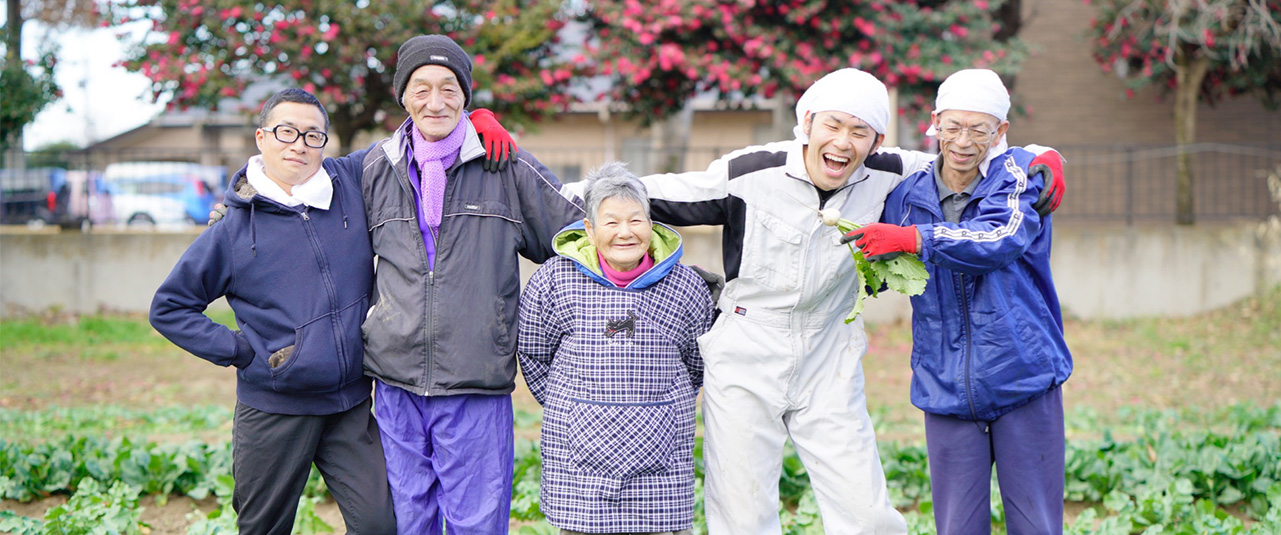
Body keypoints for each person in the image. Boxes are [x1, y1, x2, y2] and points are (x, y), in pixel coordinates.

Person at [357, 34, 585, 533]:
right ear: (402, 96)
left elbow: (582, 236)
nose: (435, 102)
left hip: (475, 378)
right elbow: (304, 189)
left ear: (466, 96)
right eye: (421, 89)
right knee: (407, 517)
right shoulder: (375, 166)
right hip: (396, 380)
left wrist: (667, 270)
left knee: (477, 522)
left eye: (448, 88)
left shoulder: (507, 164)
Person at [149, 88, 395, 535]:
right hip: (274, 409)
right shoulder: (232, 230)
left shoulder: (350, 183)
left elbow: (417, 136)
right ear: (261, 137)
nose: (299, 144)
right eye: (286, 132)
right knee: (263, 529)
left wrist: (481, 121)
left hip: (350, 405)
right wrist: (244, 352)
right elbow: (169, 308)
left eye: (312, 135)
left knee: (381, 525)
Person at [844, 69, 1073, 535]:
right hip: (945, 384)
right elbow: (885, 265)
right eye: (953, 126)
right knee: (955, 527)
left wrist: (912, 239)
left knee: (1037, 525)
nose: (964, 141)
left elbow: (996, 240)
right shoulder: (908, 194)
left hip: (1022, 375)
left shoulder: (1017, 178)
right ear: (935, 124)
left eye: (979, 129)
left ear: (1001, 132)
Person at [517, 162, 715, 535]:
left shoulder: (686, 286)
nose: (625, 232)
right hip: (577, 456)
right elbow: (533, 353)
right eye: (611, 222)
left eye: (635, 220)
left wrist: (658, 405)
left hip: (661, 457)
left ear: (650, 223)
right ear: (589, 229)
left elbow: (696, 363)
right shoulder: (553, 280)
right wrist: (575, 405)